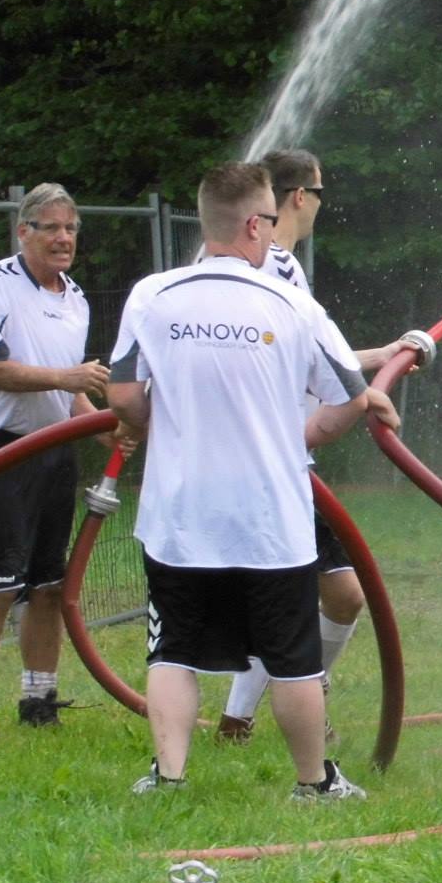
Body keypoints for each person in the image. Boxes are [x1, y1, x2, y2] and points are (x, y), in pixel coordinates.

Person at [107, 162, 399, 799]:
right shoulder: (292, 304)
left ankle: (168, 777)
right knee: (293, 660)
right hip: (271, 519)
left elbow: (123, 394)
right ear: (251, 225)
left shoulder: (153, 296)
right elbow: (350, 397)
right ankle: (314, 784)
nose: (272, 230)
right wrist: (301, 437)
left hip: (180, 515)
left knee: (172, 651)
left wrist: (158, 427)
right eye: (268, 219)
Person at [215, 147, 416, 744]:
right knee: (329, 594)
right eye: (321, 193)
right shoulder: (276, 267)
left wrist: (384, 356)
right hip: (275, 461)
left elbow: (315, 357)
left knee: (311, 592)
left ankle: (242, 717)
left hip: (268, 458)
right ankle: (291, 700)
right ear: (301, 196)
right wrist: (366, 390)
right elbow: (295, 363)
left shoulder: (259, 266)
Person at [0, 183, 128, 732]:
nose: (63, 238)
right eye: (51, 228)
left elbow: (68, 392)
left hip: (53, 452)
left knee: (49, 584)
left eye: (71, 228)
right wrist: (66, 379)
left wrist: (103, 428)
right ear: (23, 231)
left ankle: (39, 698)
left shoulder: (75, 298)